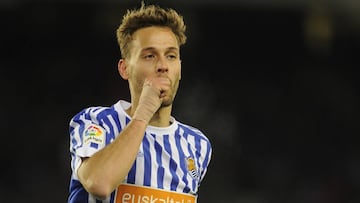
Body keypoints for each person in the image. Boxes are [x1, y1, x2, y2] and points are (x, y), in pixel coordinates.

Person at [67, 2, 212, 203]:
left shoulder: (197, 145)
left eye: (171, 56)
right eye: (150, 56)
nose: (162, 66)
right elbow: (98, 183)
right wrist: (143, 113)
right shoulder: (96, 122)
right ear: (124, 68)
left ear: (179, 67)